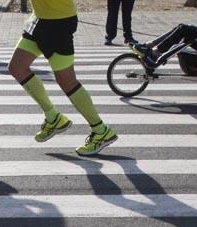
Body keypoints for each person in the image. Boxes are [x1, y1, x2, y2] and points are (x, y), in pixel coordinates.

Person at [7, 0, 117, 155]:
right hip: (39, 19)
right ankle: (54, 118)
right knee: (17, 67)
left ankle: (101, 131)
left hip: (57, 21)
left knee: (66, 80)